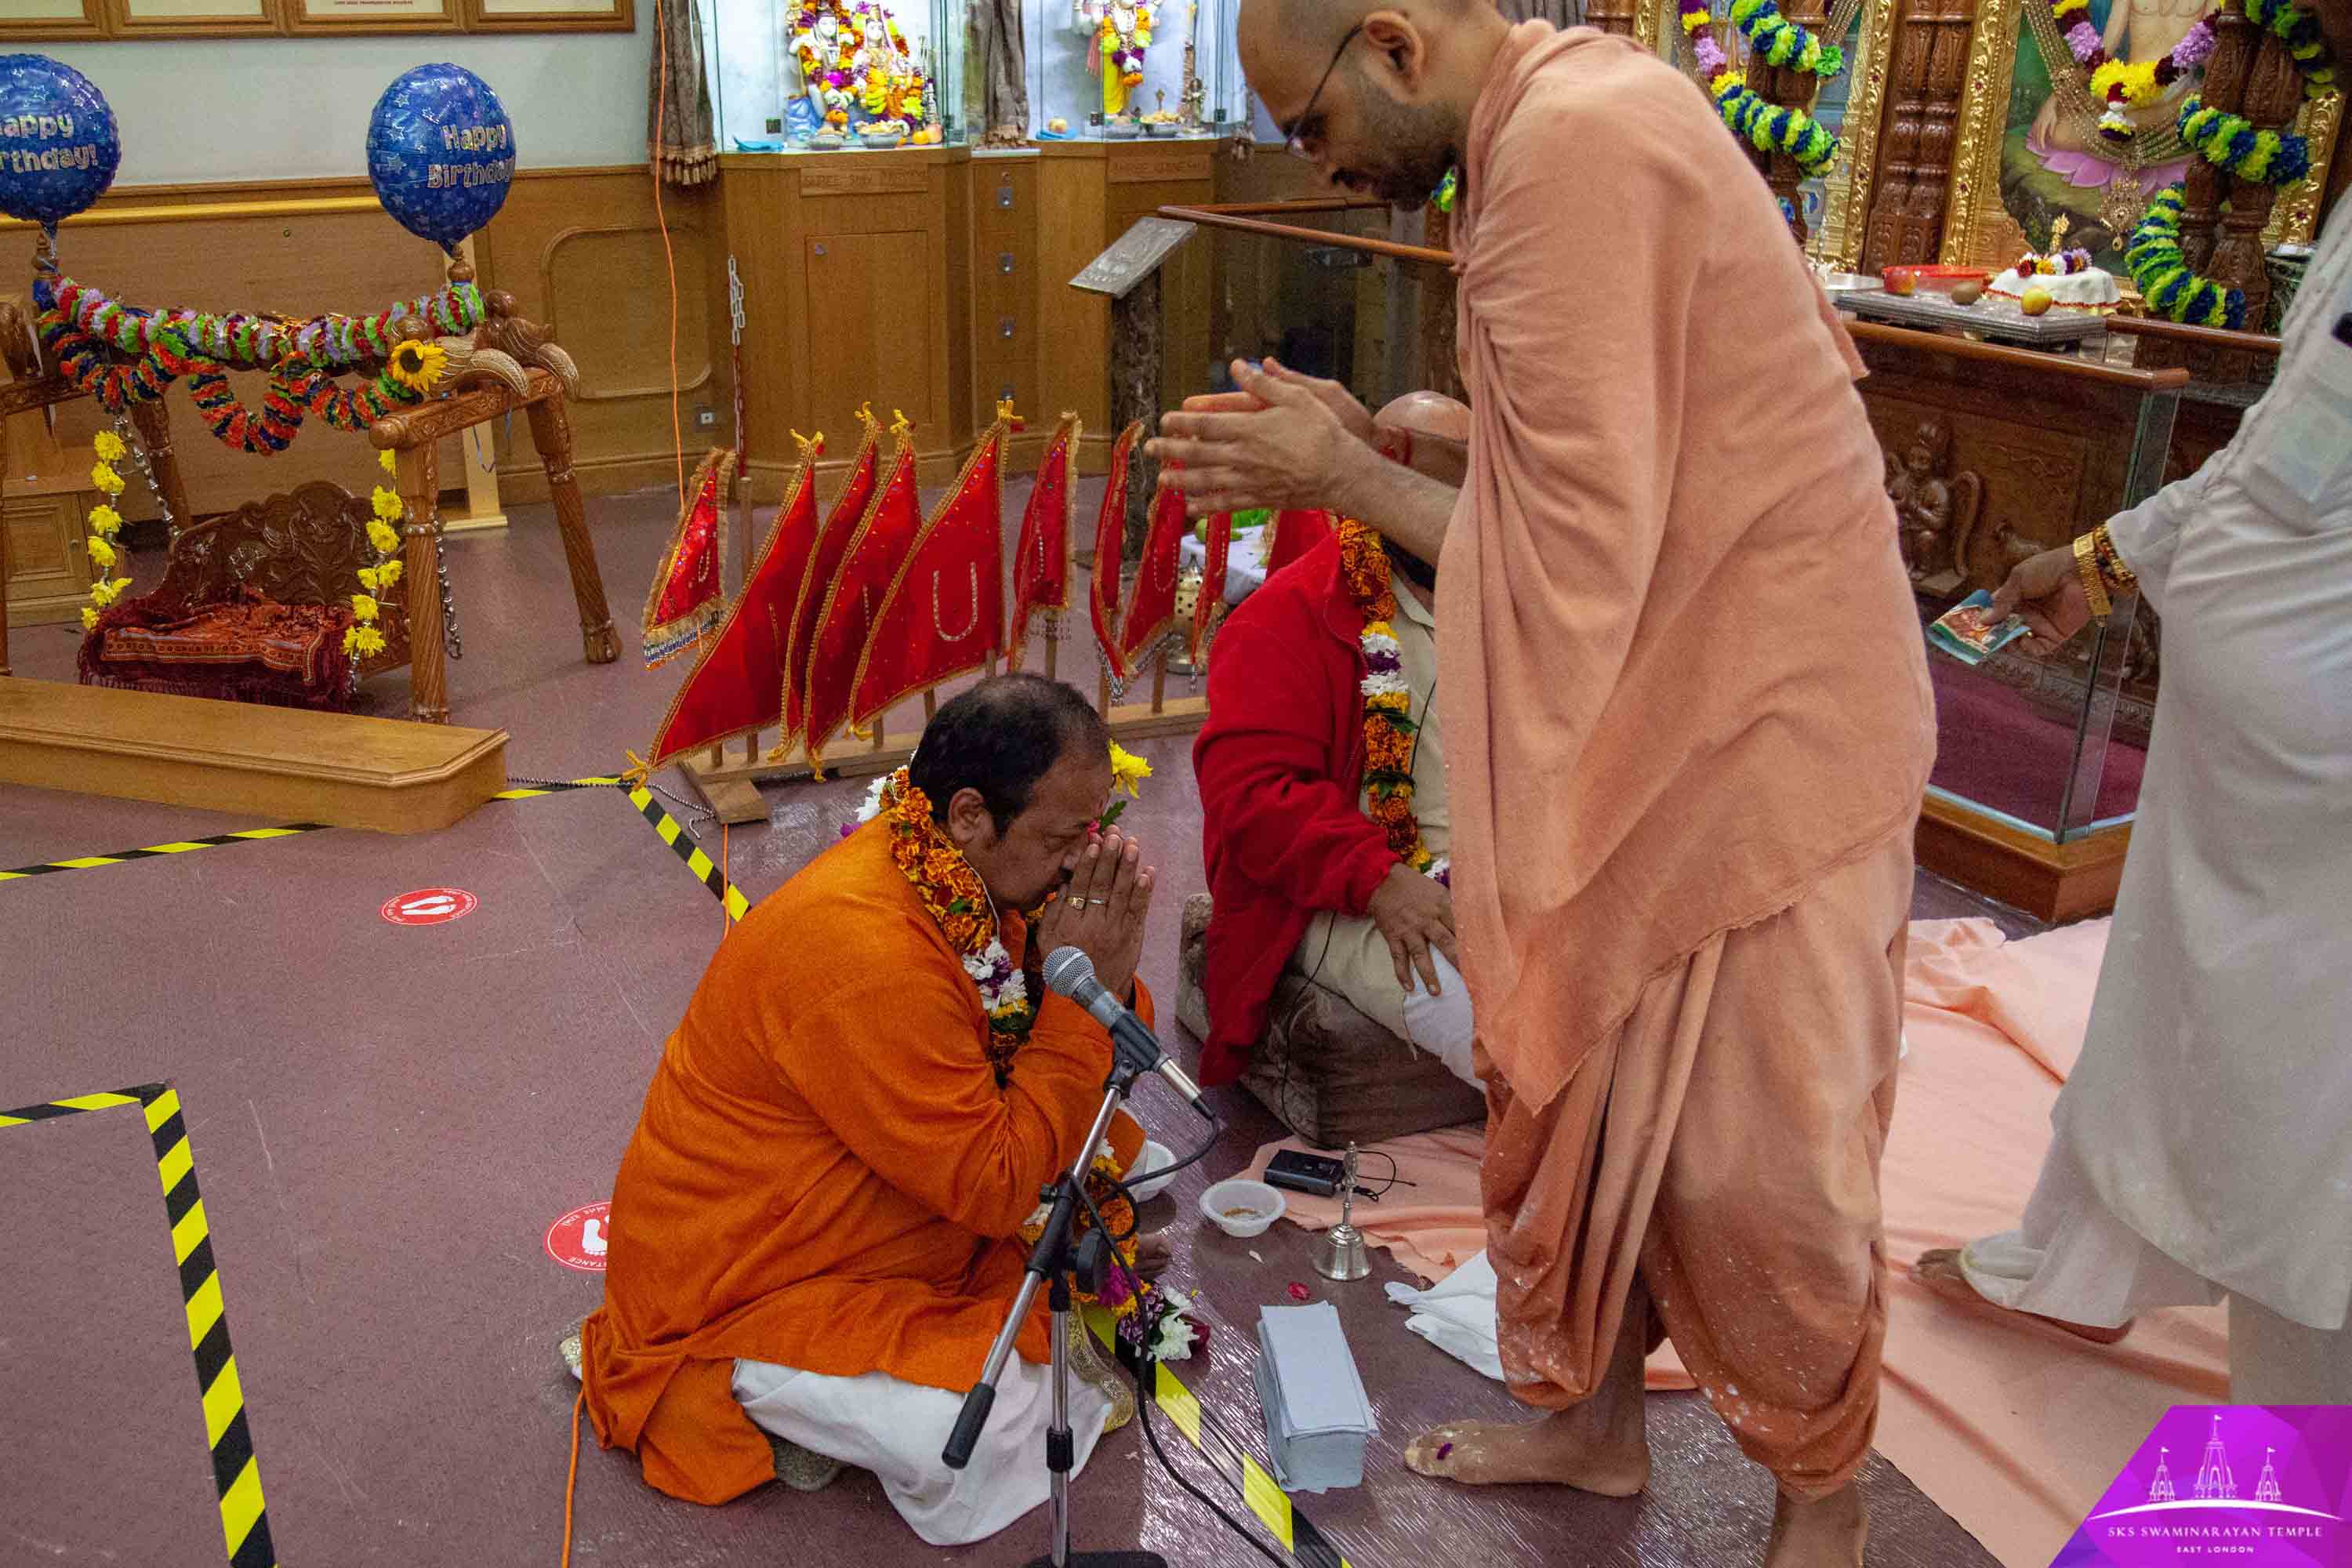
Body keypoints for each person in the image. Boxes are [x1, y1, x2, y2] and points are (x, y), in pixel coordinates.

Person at [1147, 5, 1936, 1562]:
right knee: (1587, 1093)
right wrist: (1463, 439)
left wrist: (1352, 480)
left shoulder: (1564, 155)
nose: (1320, 171)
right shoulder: (1572, 115)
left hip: (1759, 738)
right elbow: (1643, 444)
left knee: (1751, 1154)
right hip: (1673, 713)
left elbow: (1590, 562)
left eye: (1311, 128)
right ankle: (1597, 1432)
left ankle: (1823, 1501)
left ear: (1392, 46)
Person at [1915, 35, 2352, 1403]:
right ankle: (2083, 1264)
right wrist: (2112, 562)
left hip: (2310, 729)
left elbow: (2290, 477)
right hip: (2277, 723)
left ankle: (2282, 1498)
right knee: (2192, 990)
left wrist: (2109, 562)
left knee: (2296, 1109)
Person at [572, 674, 1161, 1545]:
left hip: (864, 1188)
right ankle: (748, 1380)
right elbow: (997, 1187)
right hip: (740, 1273)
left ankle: (834, 1398)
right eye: (1064, 836)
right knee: (975, 1432)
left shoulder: (964, 877)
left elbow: (1028, 1048)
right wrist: (1086, 995)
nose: (1084, 859)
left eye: (1096, 828)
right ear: (967, 816)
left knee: (1123, 1160)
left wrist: (1087, 972)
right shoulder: (866, 950)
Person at [1194, 393, 1477, 1091]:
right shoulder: (1286, 616)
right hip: (1348, 896)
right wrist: (1380, 879)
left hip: (1498, 884)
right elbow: (1252, 798)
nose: (1454, 516)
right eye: (1439, 491)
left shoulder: (1518, 594)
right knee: (1504, 1036)